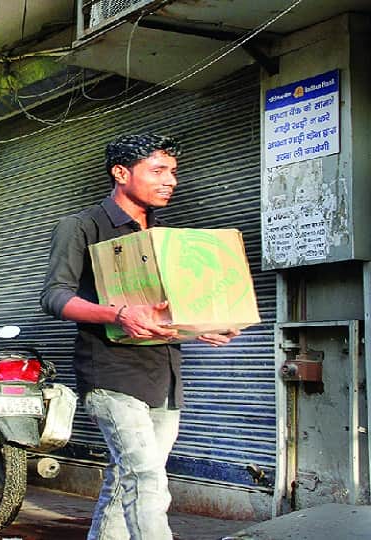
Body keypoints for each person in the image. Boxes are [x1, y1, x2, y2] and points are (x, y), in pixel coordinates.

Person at [39, 133, 239, 540]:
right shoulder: (82, 226)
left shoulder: (164, 235)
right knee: (146, 477)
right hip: (111, 373)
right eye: (159, 171)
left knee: (126, 479)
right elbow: (54, 296)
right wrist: (119, 313)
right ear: (120, 172)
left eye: (174, 172)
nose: (171, 181)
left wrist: (204, 325)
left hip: (165, 373)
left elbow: (170, 307)